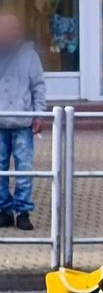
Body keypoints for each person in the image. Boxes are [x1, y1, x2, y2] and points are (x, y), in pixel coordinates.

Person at [0, 15, 45, 232]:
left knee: (24, 170)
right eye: (10, 29)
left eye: (17, 29)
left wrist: (39, 115)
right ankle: (4, 211)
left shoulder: (29, 55)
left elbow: (38, 86)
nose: (15, 33)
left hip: (22, 124)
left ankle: (23, 212)